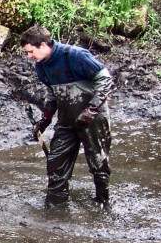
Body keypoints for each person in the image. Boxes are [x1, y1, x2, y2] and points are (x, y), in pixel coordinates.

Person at [20, 25, 114, 208]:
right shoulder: (41, 67)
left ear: (43, 45)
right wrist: (45, 120)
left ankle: (102, 202)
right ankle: (55, 205)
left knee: (98, 162)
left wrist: (91, 110)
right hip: (66, 120)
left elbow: (105, 79)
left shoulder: (76, 56)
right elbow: (51, 94)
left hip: (93, 118)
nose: (29, 57)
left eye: (31, 52)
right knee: (55, 162)